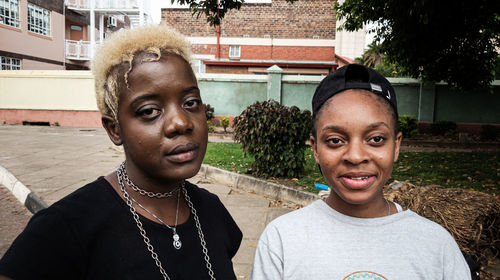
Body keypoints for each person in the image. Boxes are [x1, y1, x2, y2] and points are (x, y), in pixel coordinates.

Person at [0, 24, 242, 280]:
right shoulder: (66, 227)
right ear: (115, 129)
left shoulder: (212, 211)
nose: (180, 122)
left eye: (190, 102)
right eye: (149, 111)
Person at [250, 64, 471, 280]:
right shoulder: (283, 240)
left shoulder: (436, 245)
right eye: (335, 140)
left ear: (396, 146)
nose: (355, 156)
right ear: (315, 148)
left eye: (376, 139)